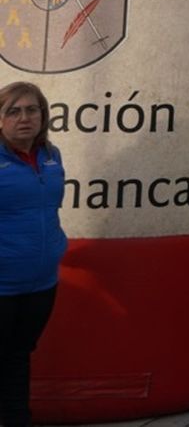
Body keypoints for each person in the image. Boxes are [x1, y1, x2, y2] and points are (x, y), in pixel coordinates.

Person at [0, 82, 66, 427]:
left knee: (17, 359)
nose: (24, 118)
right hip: (2, 286)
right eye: (13, 111)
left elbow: (50, 208)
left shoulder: (52, 157)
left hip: (40, 284)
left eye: (31, 110)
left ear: (42, 115)